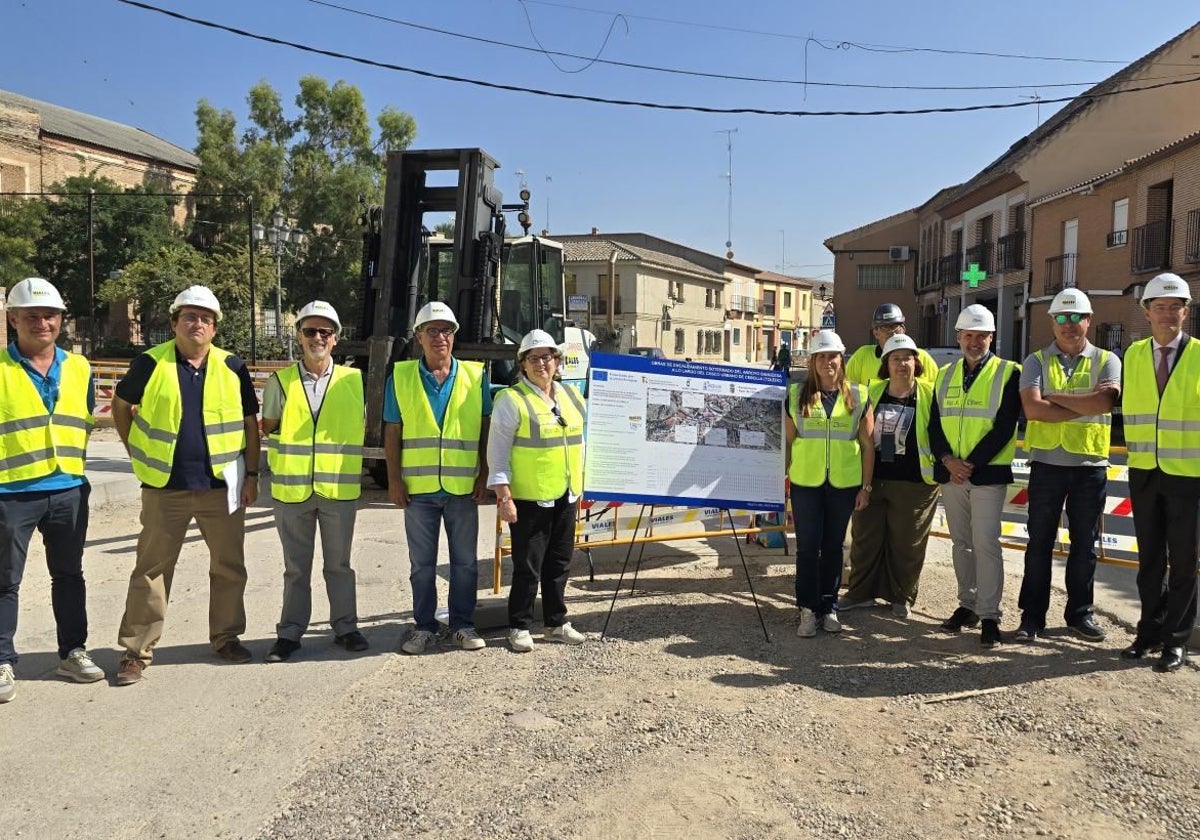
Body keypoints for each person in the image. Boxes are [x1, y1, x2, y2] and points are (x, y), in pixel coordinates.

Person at [112, 285, 261, 686]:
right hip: (166, 485)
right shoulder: (149, 363)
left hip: (223, 484)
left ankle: (226, 637)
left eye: (206, 319)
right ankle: (136, 652)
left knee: (229, 566)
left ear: (215, 329)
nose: (198, 324)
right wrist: (136, 452)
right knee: (151, 569)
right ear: (175, 321)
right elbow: (121, 408)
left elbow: (250, 425)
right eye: (190, 316)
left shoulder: (232, 367)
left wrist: (251, 475)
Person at [0, 278, 101, 703]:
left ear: (61, 320)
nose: (42, 322)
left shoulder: (79, 368)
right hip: (11, 492)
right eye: (32, 316)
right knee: (5, 581)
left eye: (50, 315)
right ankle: (3, 659)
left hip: (68, 489)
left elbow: (84, 417)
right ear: (13, 319)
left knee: (69, 575)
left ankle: (72, 651)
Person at [261, 301, 367, 663]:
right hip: (292, 491)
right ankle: (289, 634)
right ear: (299, 337)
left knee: (339, 565)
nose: (317, 338)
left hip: (338, 488)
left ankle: (346, 628)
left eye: (325, 332)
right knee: (296, 569)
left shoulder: (354, 381)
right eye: (310, 331)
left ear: (335, 339)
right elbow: (268, 426)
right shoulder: (281, 382)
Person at [386, 301, 491, 654]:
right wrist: (394, 480)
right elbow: (392, 431)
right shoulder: (400, 377)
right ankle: (424, 626)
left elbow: (486, 427)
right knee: (422, 566)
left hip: (462, 487)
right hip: (419, 491)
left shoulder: (476, 376)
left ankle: (463, 625)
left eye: (446, 330)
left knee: (464, 563)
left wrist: (485, 473)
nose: (440, 337)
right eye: (432, 331)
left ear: (454, 336)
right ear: (418, 337)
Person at [1016, 290, 1120, 644]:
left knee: (1084, 546)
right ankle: (1032, 618)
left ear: (1088, 320)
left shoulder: (1107, 360)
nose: (1069, 325)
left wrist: (1054, 397)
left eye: (1076, 317)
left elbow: (1105, 402)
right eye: (1062, 318)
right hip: (1047, 465)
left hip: (1089, 466)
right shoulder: (1035, 361)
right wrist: (1082, 403)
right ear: (1052, 322)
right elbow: (1032, 409)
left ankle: (1080, 614)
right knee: (1039, 544)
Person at [488, 330, 587, 652]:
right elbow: (498, 453)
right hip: (530, 498)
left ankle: (556, 622)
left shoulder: (571, 396)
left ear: (557, 361)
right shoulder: (511, 399)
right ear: (523, 365)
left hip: (567, 493)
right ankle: (519, 625)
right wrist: (504, 496)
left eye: (547, 357)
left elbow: (583, 441)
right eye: (534, 358)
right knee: (528, 566)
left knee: (559, 562)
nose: (541, 363)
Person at [1120, 272, 1200, 672]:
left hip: (1188, 474)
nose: (1167, 314)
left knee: (1184, 561)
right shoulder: (1133, 356)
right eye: (1160, 307)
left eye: (1175, 307)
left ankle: (1176, 641)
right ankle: (1148, 633)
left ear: (1186, 311)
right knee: (1149, 559)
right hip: (1145, 470)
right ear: (1146, 312)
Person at [929, 304, 1021, 648]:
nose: (975, 341)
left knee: (985, 544)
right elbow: (934, 423)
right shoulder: (945, 374)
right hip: (952, 474)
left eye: (981, 335)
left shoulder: (1009, 372)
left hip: (987, 475)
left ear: (992, 337)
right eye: (969, 335)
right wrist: (948, 460)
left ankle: (989, 616)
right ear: (958, 337)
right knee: (960, 544)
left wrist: (970, 464)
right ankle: (966, 605)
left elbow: (1004, 426)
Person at [839, 333, 939, 619]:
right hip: (873, 479)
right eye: (895, 358)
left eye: (907, 357)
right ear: (886, 364)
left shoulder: (931, 394)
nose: (902, 364)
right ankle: (860, 593)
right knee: (865, 537)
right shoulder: (870, 392)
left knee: (907, 543)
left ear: (916, 362)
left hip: (915, 482)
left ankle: (902, 596)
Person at [785, 330, 874, 638]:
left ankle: (829, 606)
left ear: (842, 359)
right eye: (821, 356)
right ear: (813, 361)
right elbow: (787, 442)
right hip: (806, 483)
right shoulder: (795, 395)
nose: (827, 362)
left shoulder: (859, 395)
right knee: (808, 548)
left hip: (844, 484)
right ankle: (807, 609)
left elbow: (868, 445)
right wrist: (783, 482)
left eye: (832, 356)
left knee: (834, 547)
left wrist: (866, 486)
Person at [845, 303, 940, 388]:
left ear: (903, 329)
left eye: (895, 326)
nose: (891, 332)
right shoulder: (862, 356)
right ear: (875, 333)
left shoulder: (922, 357)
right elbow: (847, 390)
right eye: (885, 327)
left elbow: (937, 392)